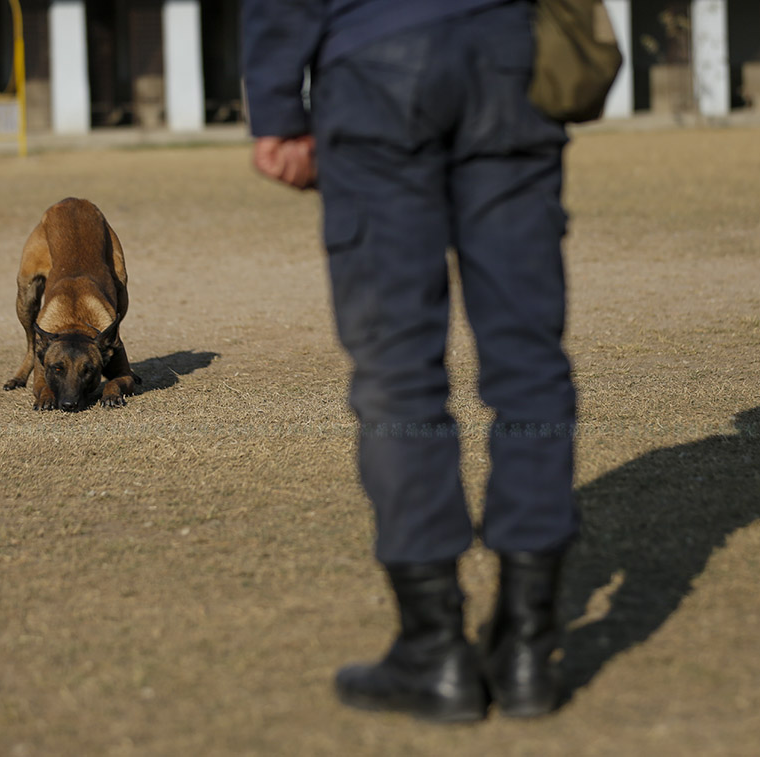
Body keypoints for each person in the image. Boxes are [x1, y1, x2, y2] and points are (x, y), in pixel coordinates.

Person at [242, 0, 578, 721]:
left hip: (375, 65)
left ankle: (435, 649)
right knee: (529, 361)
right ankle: (525, 648)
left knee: (399, 368)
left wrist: (275, 102)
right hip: (505, 55)